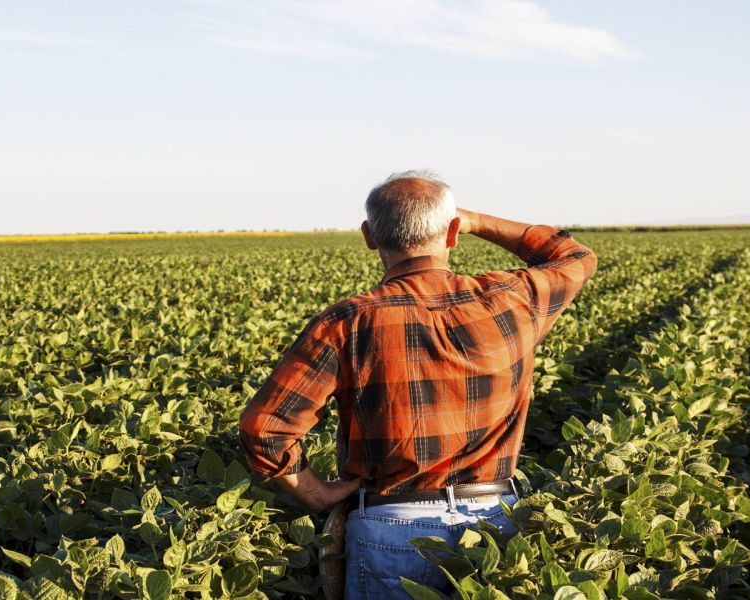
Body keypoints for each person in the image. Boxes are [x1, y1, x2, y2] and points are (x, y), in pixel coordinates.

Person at [238, 170, 597, 598]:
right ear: (453, 233)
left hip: (390, 527)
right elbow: (575, 257)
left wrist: (317, 495)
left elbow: (265, 428)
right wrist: (477, 221)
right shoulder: (512, 298)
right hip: (495, 524)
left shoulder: (348, 321)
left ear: (369, 236)